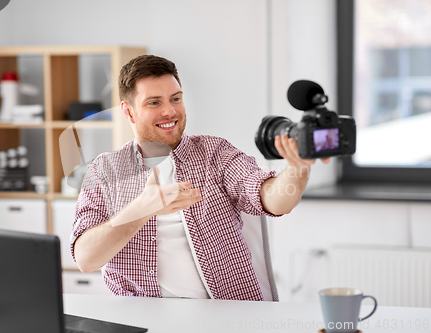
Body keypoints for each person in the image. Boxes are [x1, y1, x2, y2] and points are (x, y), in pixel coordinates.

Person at [70, 55, 329, 301]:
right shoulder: (105, 170)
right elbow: (85, 258)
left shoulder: (214, 153)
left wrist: (298, 168)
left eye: (176, 98)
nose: (170, 111)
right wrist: (140, 210)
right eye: (154, 102)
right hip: (141, 317)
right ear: (128, 112)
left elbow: (273, 199)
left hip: (223, 315)